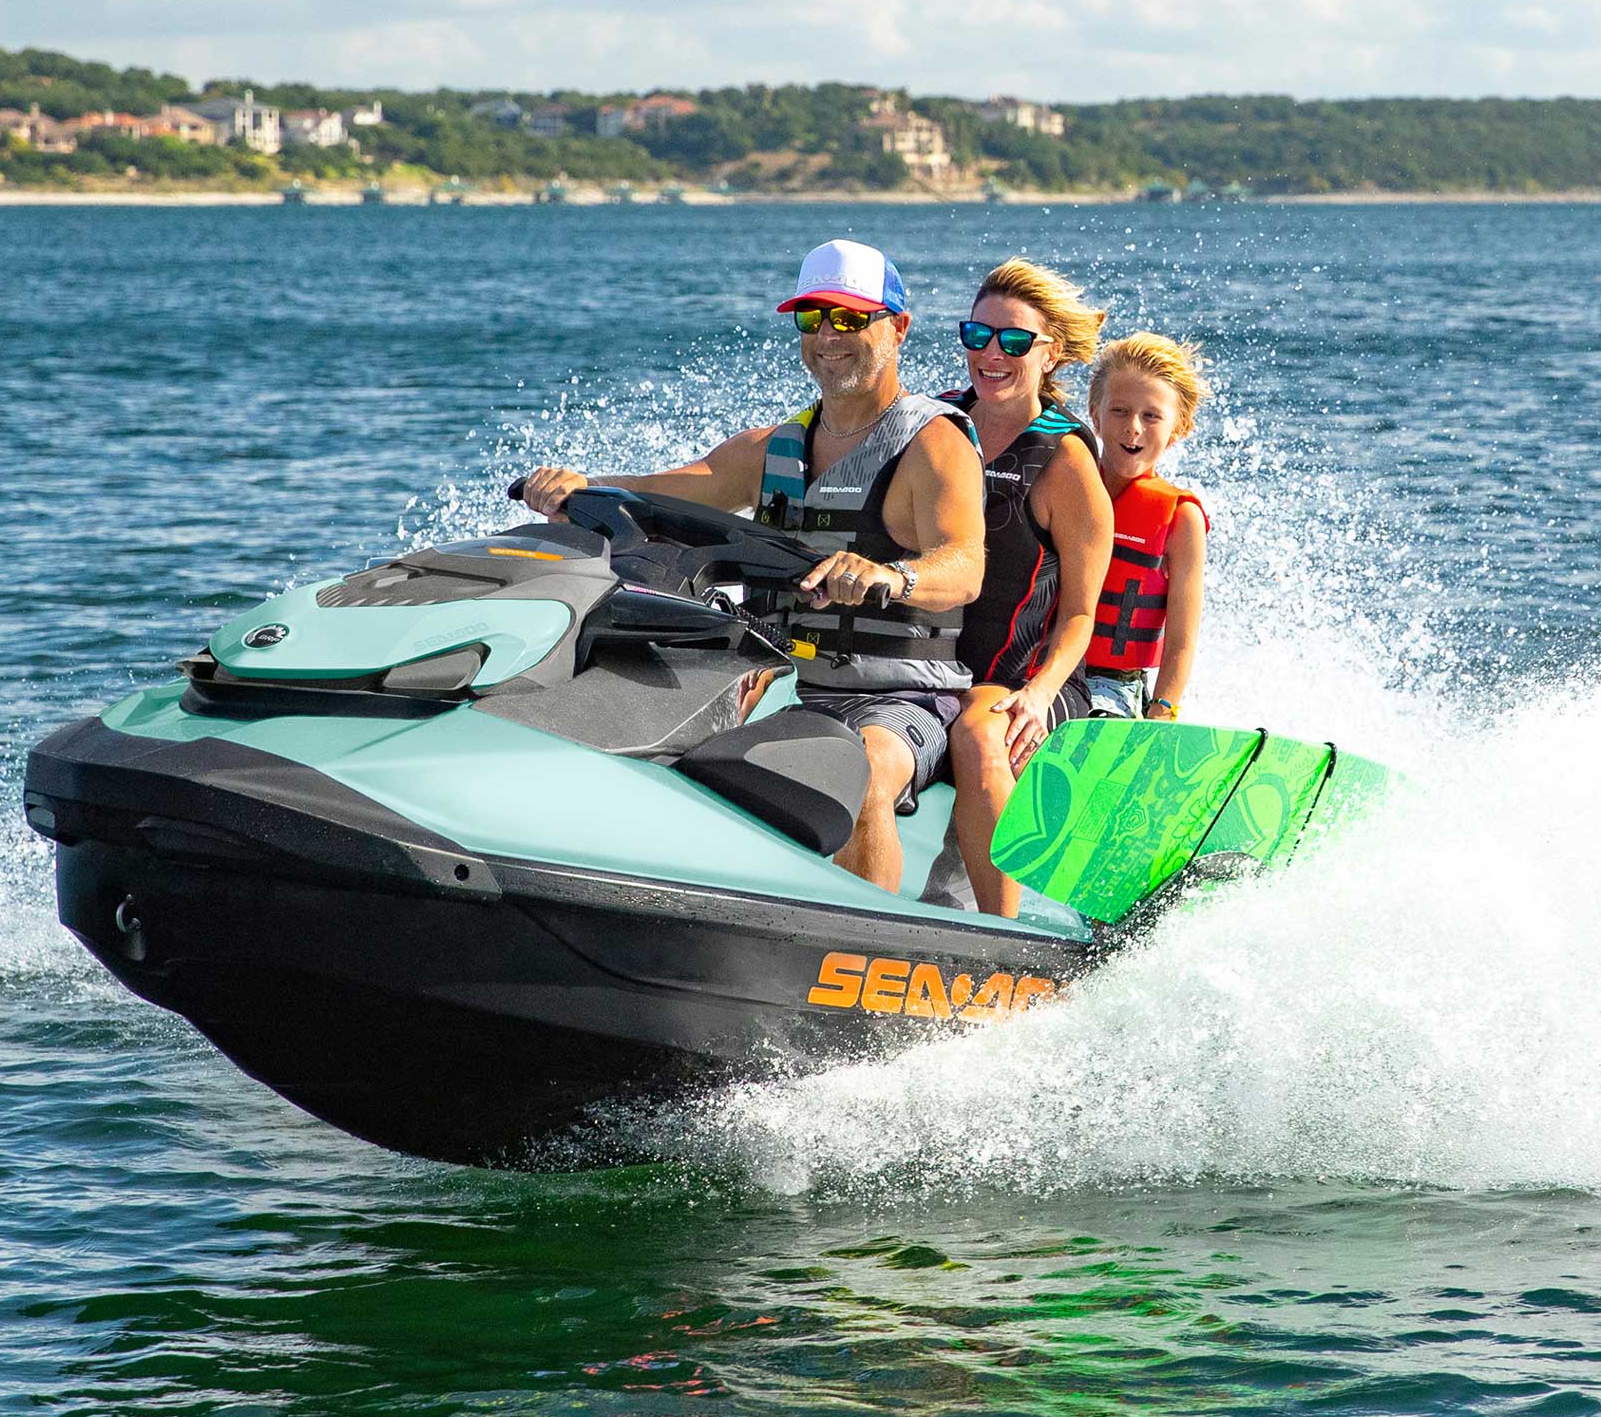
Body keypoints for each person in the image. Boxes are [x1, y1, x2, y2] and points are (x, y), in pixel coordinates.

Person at [512, 240, 982, 895]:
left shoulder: (934, 442)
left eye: (849, 318)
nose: (827, 336)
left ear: (898, 327)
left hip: (897, 694)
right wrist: (575, 490)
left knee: (861, 772)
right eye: (811, 317)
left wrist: (890, 576)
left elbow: (964, 566)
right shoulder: (772, 447)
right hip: (784, 678)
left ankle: (860, 952)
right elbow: (663, 490)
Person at [929, 260, 1113, 918]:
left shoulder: (1064, 459)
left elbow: (1081, 613)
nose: (989, 354)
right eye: (976, 336)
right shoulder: (931, 426)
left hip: (1032, 682)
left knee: (982, 732)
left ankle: (997, 936)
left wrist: (1036, 697)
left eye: (1012, 342)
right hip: (924, 670)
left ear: (1049, 353)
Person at [1076, 334, 1212, 722]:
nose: (1133, 427)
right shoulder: (1063, 484)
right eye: (1119, 411)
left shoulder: (1180, 518)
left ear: (1178, 427)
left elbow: (1182, 641)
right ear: (1095, 415)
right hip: (1036, 668)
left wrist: (1162, 712)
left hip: (1115, 686)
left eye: (1151, 416)